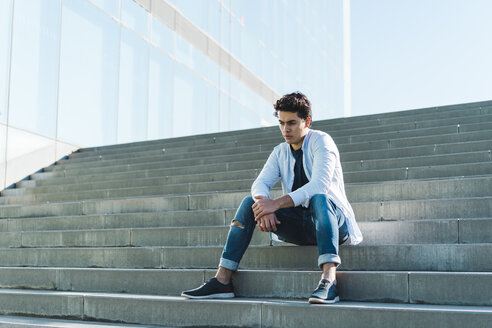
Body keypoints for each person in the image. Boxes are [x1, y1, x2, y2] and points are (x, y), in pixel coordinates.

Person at [181, 92, 363, 304]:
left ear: (308, 121)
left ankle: (329, 280)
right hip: (300, 226)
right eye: (282, 123)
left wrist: (274, 204)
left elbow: (319, 185)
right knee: (250, 203)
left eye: (292, 123)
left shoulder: (322, 141)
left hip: (332, 223)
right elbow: (260, 184)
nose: (286, 129)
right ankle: (222, 280)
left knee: (320, 198)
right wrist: (262, 205)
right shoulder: (280, 152)